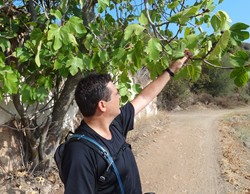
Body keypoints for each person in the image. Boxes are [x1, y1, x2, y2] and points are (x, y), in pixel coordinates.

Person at [60, 50, 193, 194]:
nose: (120, 97)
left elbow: (144, 98)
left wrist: (172, 69)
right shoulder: (79, 153)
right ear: (102, 105)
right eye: (116, 94)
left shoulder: (114, 124)